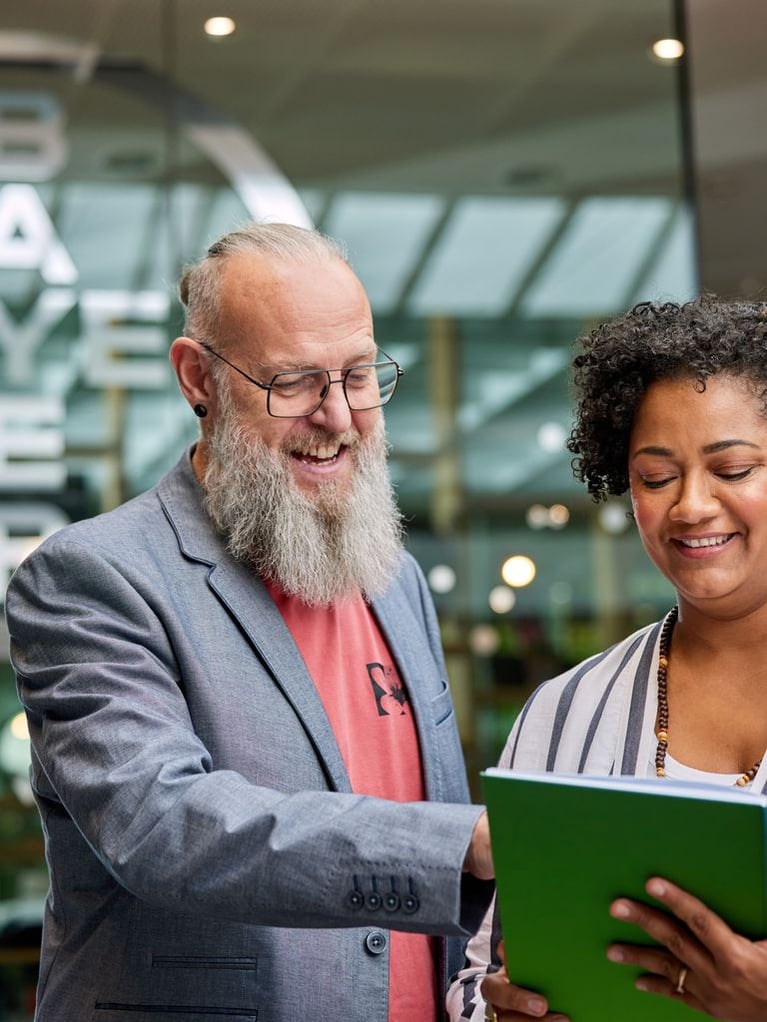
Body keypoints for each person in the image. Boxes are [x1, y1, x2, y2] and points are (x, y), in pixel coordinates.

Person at [4, 222, 494, 1022]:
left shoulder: (395, 576)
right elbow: (161, 825)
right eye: (293, 381)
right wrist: (457, 844)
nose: (338, 416)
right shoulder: (90, 577)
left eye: (359, 374)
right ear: (198, 377)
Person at [448, 294, 767, 1022]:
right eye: (655, 477)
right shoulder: (567, 710)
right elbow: (482, 973)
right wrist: (498, 1011)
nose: (689, 505)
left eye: (733, 468)